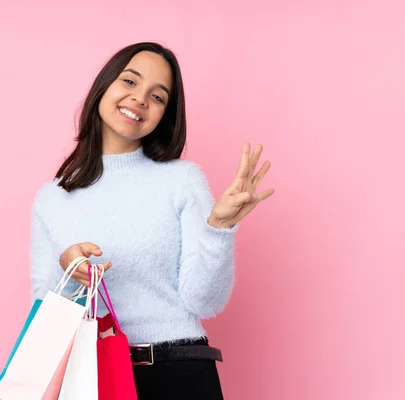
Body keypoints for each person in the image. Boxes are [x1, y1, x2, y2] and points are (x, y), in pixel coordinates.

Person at [29, 42, 274, 399]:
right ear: (105, 86)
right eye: (129, 82)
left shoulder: (182, 179)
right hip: (91, 378)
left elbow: (205, 302)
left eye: (158, 97)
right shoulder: (53, 198)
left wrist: (218, 230)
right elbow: (46, 314)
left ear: (165, 114)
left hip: (179, 372)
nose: (140, 99)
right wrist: (69, 272)